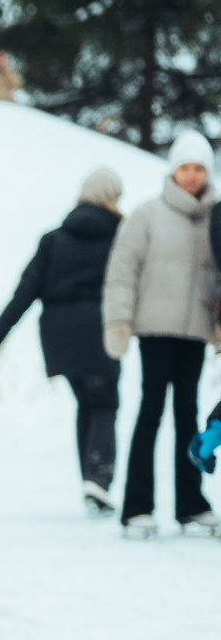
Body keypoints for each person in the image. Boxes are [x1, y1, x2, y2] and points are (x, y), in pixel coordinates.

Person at [0, 167, 126, 513]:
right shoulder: (121, 236)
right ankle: (98, 479)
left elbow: (25, 290)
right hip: (100, 329)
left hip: (58, 334)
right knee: (104, 402)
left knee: (87, 401)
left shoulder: (54, 239)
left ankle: (90, 481)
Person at [105, 130, 219, 537]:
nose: (192, 176)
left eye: (199, 168)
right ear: (172, 170)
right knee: (150, 411)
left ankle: (191, 505)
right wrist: (118, 321)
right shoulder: (147, 214)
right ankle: (137, 507)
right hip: (155, 329)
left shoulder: (215, 219)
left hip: (195, 332)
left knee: (188, 415)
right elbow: (122, 271)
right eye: (185, 167)